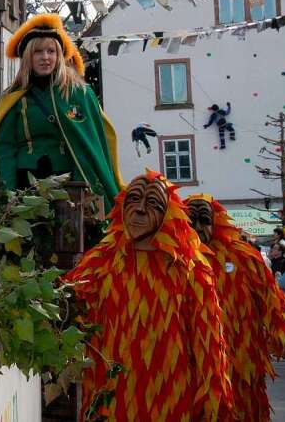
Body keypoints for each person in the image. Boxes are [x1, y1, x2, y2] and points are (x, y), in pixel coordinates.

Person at [65, 172, 232, 420]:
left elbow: (208, 341)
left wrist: (212, 399)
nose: (140, 210)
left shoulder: (189, 268)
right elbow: (70, 310)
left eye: (152, 203)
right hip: (110, 397)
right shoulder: (100, 261)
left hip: (172, 397)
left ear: (168, 213)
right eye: (133, 200)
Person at [0, 13, 123, 210]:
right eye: (38, 52)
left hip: (68, 183)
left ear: (59, 56)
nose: (45, 57)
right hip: (25, 185)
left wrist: (82, 188)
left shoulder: (78, 94)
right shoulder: (13, 97)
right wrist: (9, 192)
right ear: (28, 57)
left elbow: (88, 145)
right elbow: (5, 147)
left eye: (51, 51)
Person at [185, 194, 285, 422]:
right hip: (191, 368)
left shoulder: (241, 256)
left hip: (239, 361)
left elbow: (272, 298)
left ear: (216, 221)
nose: (198, 228)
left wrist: (284, 332)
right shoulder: (173, 259)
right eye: (191, 221)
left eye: (204, 220)